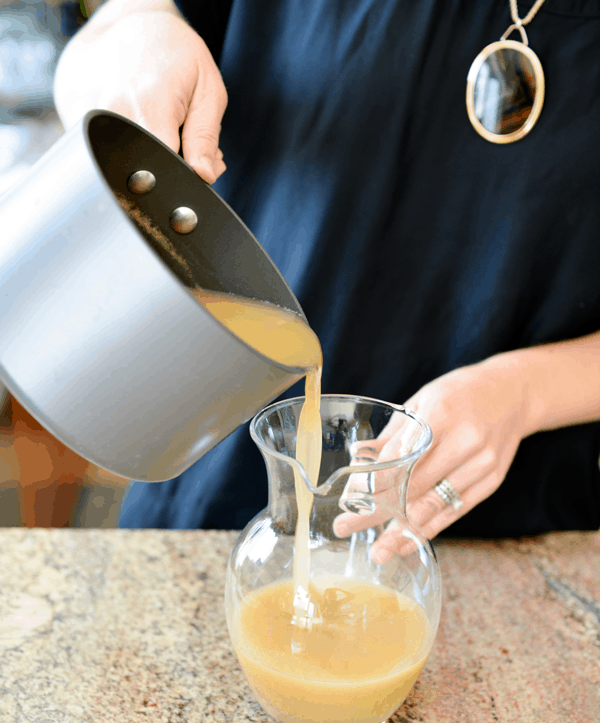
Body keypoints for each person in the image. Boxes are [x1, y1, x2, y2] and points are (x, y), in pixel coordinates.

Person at [54, 0, 600, 551]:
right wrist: (134, 32)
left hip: (494, 536)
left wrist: (525, 393)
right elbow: (97, 45)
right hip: (210, 475)